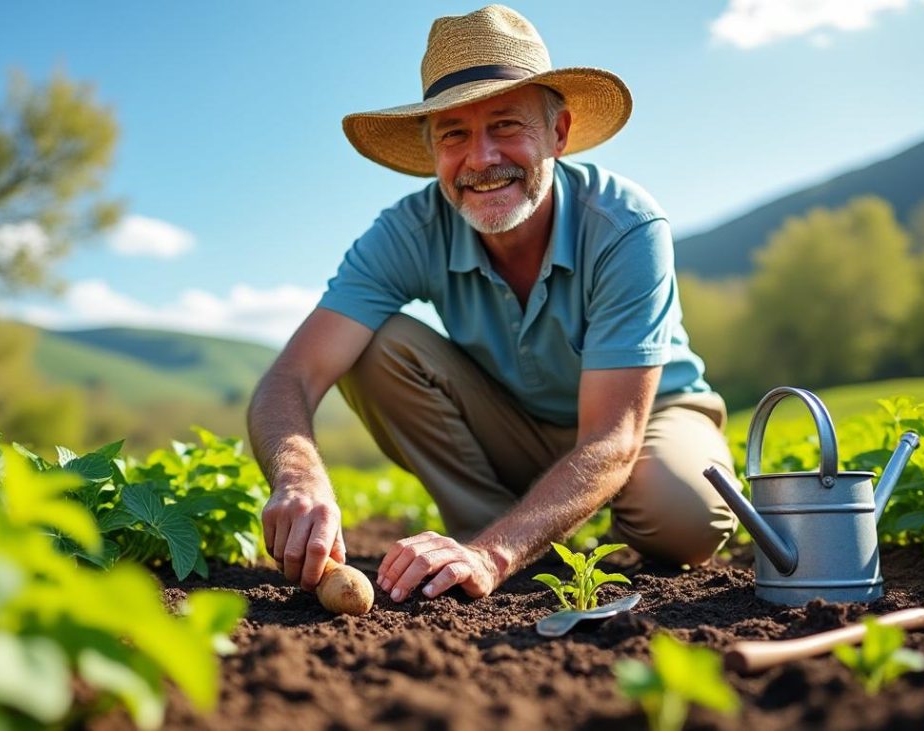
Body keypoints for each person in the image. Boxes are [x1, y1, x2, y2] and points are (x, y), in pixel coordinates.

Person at [248, 4, 737, 604]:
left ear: (557, 134)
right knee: (374, 345)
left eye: (506, 125)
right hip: (511, 424)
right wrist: (299, 477)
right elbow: (289, 377)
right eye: (454, 134)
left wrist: (494, 553)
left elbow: (612, 436)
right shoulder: (406, 231)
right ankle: (489, 530)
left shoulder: (624, 225)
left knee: (686, 518)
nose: (481, 159)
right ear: (432, 151)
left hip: (644, 418)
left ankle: (506, 541)